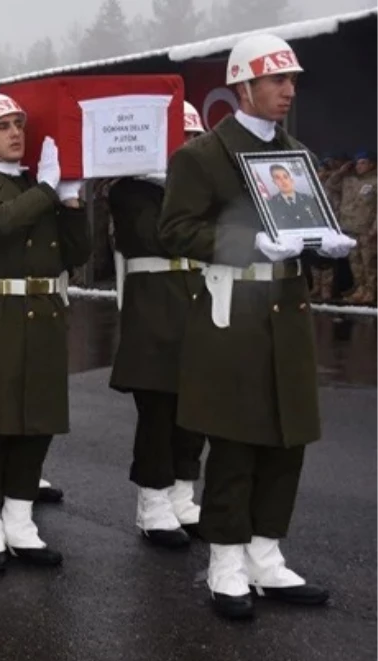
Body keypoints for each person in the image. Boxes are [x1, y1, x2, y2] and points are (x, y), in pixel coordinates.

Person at [157, 33, 352, 620]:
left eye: (292, 80)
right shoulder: (203, 156)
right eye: (276, 80)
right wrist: (247, 243)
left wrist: (326, 247)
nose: (288, 90)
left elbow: (301, 225)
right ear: (243, 86)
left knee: (285, 440)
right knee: (237, 443)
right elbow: (175, 231)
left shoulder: (296, 153)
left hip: (286, 311)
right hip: (232, 312)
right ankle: (225, 561)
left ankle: (266, 556)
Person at [0, 93, 90, 574]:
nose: (14, 134)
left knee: (36, 422)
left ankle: (21, 519)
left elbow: (76, 253)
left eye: (18, 125)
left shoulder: (40, 187)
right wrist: (48, 190)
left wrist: (71, 201)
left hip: (44, 310)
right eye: (2, 126)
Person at [108, 101, 208, 549]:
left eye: (194, 139)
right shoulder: (130, 190)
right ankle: (152, 502)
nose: (188, 147)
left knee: (196, 409)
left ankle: (184, 493)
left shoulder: (201, 191)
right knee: (158, 412)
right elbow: (160, 237)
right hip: (153, 311)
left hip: (198, 305)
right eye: (181, 138)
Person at [325, 151, 378, 303]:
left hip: (367, 230)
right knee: (355, 263)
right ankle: (360, 288)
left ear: (371, 164)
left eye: (363, 163)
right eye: (357, 163)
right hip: (349, 227)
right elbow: (330, 184)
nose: (359, 166)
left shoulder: (375, 181)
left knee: (369, 263)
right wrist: (341, 171)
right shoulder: (348, 179)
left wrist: (375, 228)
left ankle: (371, 291)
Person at [266, 164, 326, 231]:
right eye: (278, 178)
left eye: (285, 177)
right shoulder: (271, 204)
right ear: (274, 182)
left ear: (291, 180)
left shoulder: (309, 200)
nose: (283, 181)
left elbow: (322, 225)